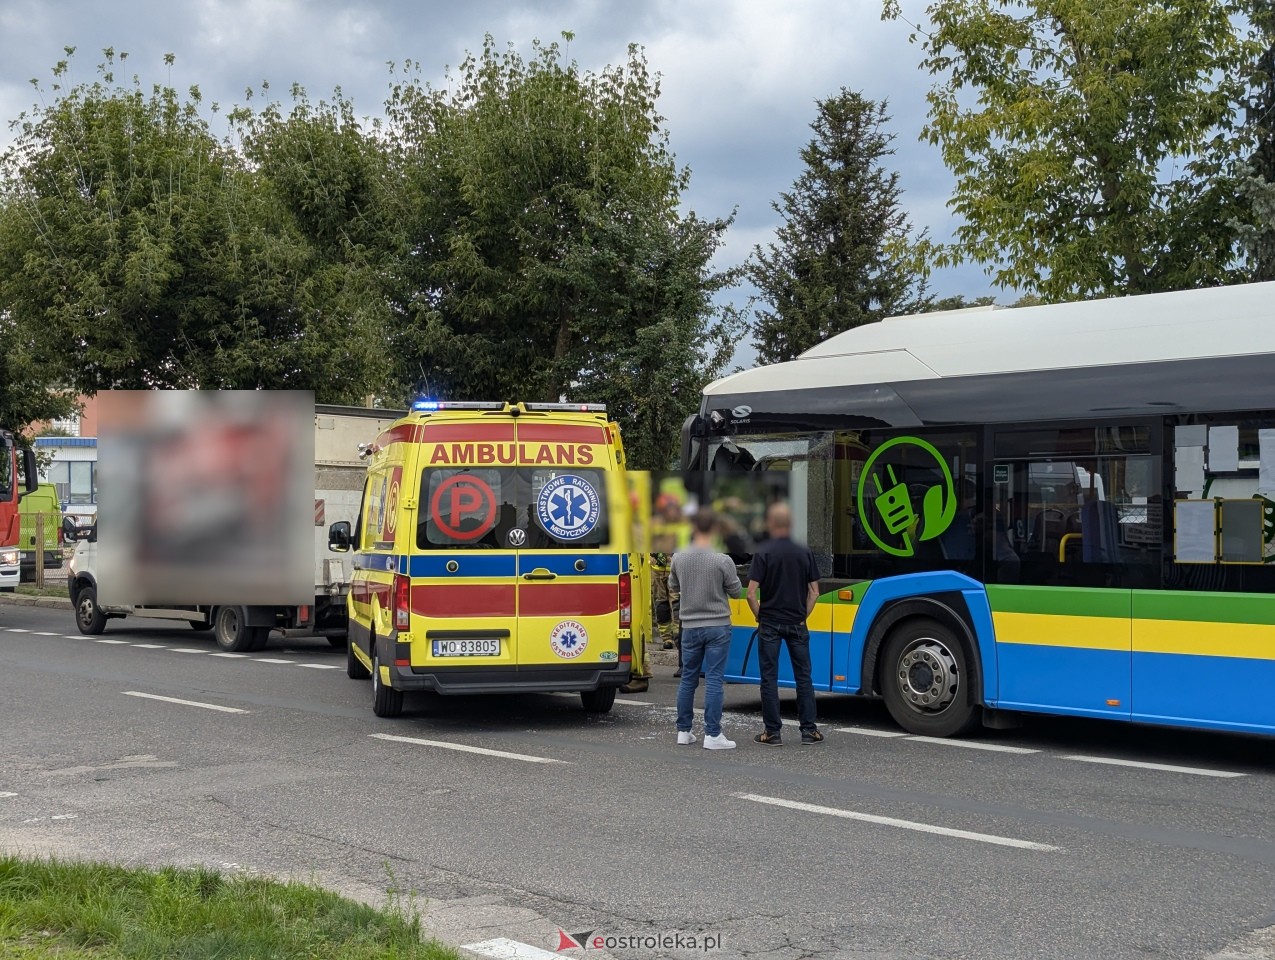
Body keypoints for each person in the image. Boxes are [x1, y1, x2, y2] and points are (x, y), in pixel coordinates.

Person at [746, 502, 823, 746]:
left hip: (770, 623)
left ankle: (773, 733)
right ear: (790, 525)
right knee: (804, 677)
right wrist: (803, 616)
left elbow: (750, 593)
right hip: (797, 623)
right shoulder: (804, 552)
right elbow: (814, 591)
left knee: (769, 678)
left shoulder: (763, 551)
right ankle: (809, 731)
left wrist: (760, 615)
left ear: (771, 524)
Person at [670, 509, 744, 750]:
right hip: (717, 626)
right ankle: (712, 734)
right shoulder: (722, 559)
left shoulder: (678, 558)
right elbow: (736, 591)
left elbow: (673, 585)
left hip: (689, 626)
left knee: (688, 679)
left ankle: (684, 731)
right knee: (713, 679)